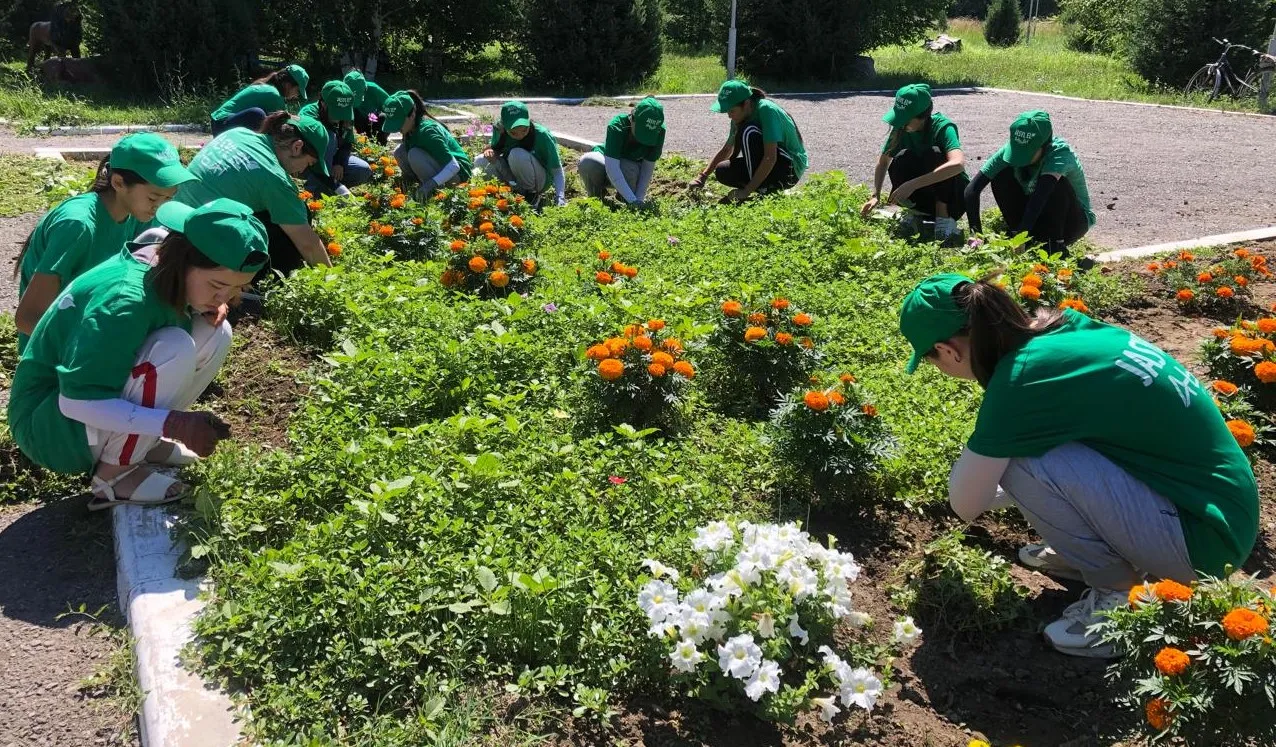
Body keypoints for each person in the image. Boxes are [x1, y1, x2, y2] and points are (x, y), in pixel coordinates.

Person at [899, 273, 1258, 658]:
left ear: (948, 350)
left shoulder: (1021, 379)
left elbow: (965, 504)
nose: (941, 370)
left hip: (1201, 542)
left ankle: (1119, 597)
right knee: (1022, 458)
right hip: (1220, 509)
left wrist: (994, 484)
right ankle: (1096, 548)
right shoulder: (1065, 328)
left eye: (933, 361)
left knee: (1020, 460)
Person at [7, 198, 269, 509]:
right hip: (49, 427)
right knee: (175, 346)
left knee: (215, 332)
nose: (225, 297)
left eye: (236, 289)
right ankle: (115, 477)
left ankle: (145, 445)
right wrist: (173, 423)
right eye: (217, 284)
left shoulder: (164, 257)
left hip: (68, 415)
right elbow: (76, 400)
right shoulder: (125, 302)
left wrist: (213, 298)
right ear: (184, 259)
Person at [13, 133, 196, 353]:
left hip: (98, 325)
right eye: (153, 198)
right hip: (59, 357)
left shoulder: (139, 214)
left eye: (168, 197)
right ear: (118, 182)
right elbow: (27, 318)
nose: (160, 206)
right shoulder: (77, 225)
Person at [173, 113, 332, 276]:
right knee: (288, 230)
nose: (303, 172)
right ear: (297, 147)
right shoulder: (275, 178)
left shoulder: (238, 133)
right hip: (201, 249)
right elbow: (308, 245)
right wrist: (332, 280)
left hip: (172, 222)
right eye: (309, 163)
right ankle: (259, 282)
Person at [964, 110, 1095, 255]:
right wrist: (975, 234)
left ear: (1045, 144)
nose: (1021, 157)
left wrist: (1022, 235)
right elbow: (972, 189)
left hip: (1070, 223)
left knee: (1059, 184)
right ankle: (1019, 235)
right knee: (1000, 173)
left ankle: (1054, 246)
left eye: (1027, 152)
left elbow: (1041, 197)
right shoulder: (1010, 150)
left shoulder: (1060, 154)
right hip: (1034, 216)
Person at [860, 84, 968, 242]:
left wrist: (913, 184)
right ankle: (914, 213)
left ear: (923, 116)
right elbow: (883, 162)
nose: (902, 124)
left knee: (935, 154)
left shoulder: (944, 127)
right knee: (902, 158)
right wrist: (875, 195)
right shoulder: (901, 130)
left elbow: (958, 164)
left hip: (953, 199)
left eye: (906, 119)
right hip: (924, 196)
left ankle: (944, 222)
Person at [689, 81, 807, 202]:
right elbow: (727, 149)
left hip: (789, 170)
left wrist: (746, 191)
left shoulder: (766, 109)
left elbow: (770, 157)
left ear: (746, 104)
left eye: (732, 111)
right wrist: (702, 177)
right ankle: (764, 190)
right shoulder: (739, 117)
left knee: (748, 131)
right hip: (772, 164)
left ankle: (762, 191)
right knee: (722, 171)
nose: (729, 116)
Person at [380, 90, 473, 202]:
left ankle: (436, 193)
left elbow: (454, 166)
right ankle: (416, 187)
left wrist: (429, 185)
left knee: (414, 154)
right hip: (442, 170)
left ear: (412, 114)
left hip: (458, 175)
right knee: (400, 152)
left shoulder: (427, 132)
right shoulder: (410, 129)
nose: (397, 128)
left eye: (399, 121)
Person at [475, 100, 566, 208]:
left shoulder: (541, 135)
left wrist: (560, 197)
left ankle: (531, 196)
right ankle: (501, 197)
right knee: (481, 160)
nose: (519, 135)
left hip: (539, 180)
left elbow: (556, 170)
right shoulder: (499, 130)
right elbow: (497, 149)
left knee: (516, 154)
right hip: (514, 175)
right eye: (513, 132)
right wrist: (490, 153)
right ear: (504, 126)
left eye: (524, 130)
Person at [578, 97, 665, 207]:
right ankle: (596, 199)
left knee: (629, 168)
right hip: (607, 164)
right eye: (642, 132)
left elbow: (647, 170)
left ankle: (624, 200)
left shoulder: (659, 132)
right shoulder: (618, 126)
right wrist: (633, 201)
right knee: (588, 162)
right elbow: (612, 167)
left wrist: (638, 199)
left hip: (631, 171)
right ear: (633, 118)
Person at [299, 79, 371, 196]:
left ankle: (330, 189)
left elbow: (347, 143)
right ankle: (314, 193)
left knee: (362, 170)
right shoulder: (308, 115)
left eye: (343, 112)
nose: (340, 117)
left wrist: (339, 163)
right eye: (336, 112)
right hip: (308, 164)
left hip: (331, 161)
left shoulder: (346, 114)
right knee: (329, 137)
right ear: (323, 103)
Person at [209, 64, 310, 136]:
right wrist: (303, 122)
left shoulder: (268, 87)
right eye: (297, 90)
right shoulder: (273, 94)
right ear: (287, 85)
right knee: (258, 115)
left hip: (220, 123)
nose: (296, 95)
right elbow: (285, 120)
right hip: (222, 125)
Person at [352, 76, 391, 147]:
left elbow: (391, 105)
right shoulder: (345, 94)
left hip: (375, 119)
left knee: (383, 117)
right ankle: (362, 144)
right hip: (359, 121)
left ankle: (380, 146)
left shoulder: (374, 89)